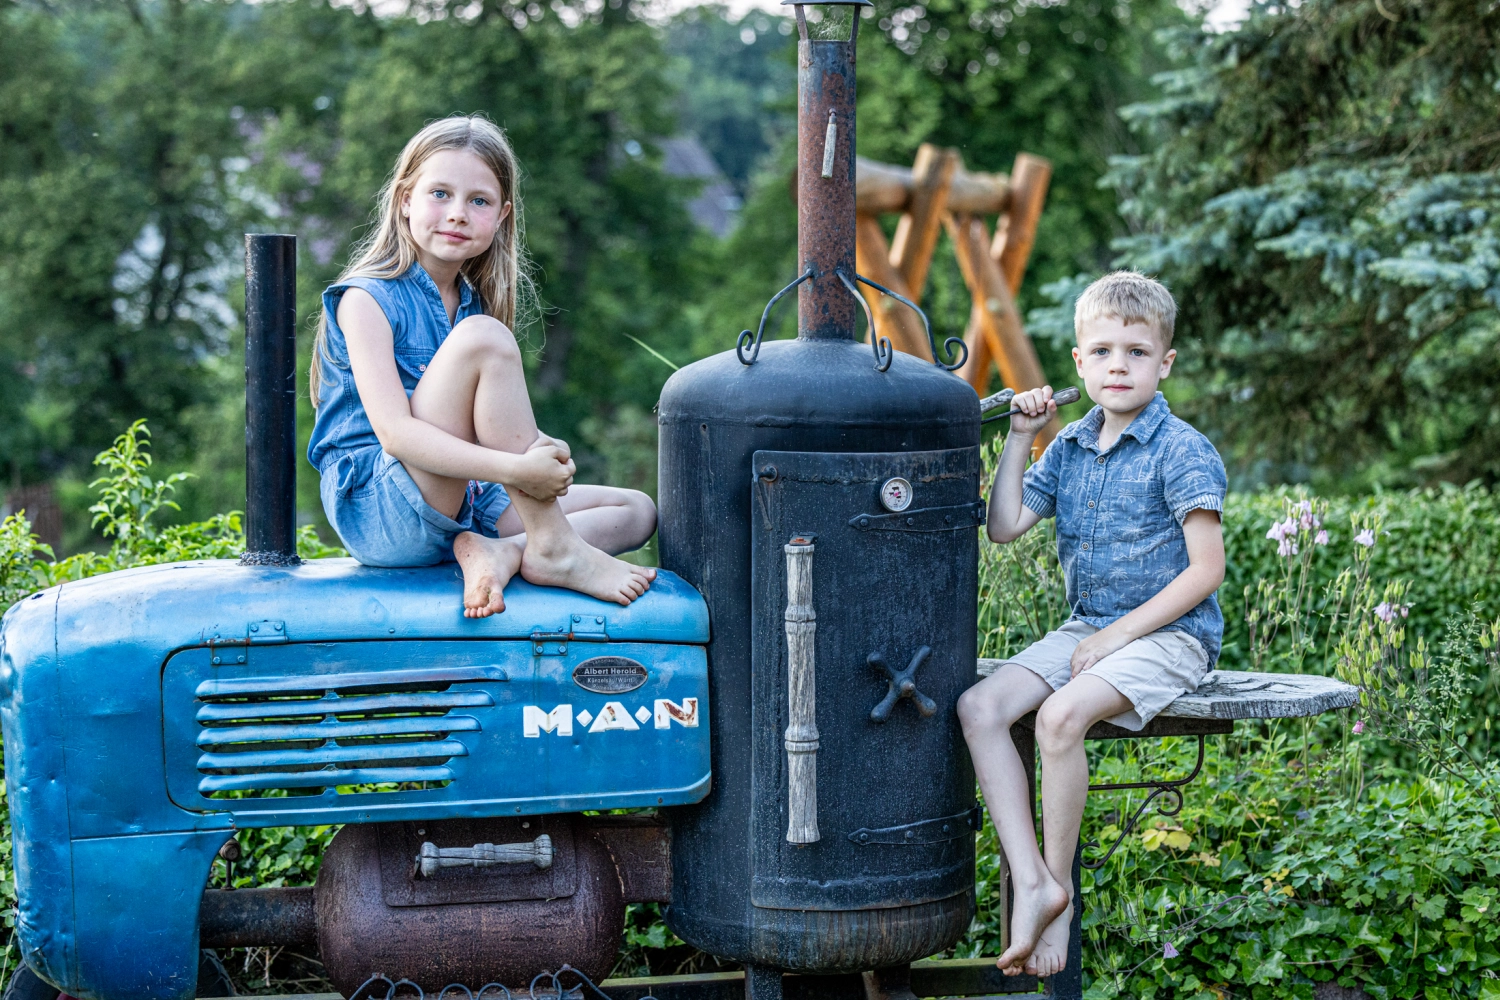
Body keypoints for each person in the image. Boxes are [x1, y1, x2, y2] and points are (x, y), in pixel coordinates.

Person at [957, 271, 1227, 977]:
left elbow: (1205, 572)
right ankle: (1034, 880)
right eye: (1102, 351)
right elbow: (1005, 526)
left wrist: (1117, 637)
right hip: (1089, 627)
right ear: (1078, 361)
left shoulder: (1182, 449)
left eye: (1136, 352)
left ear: (1164, 362)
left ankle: (1061, 887)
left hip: (1171, 636)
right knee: (980, 707)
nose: (1118, 365)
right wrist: (1021, 437)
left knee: (1058, 718)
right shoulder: (1070, 446)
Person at [307, 115, 657, 617]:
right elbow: (397, 436)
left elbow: (497, 429)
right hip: (383, 511)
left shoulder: (472, 307)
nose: (457, 214)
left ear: (502, 216)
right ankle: (553, 547)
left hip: (465, 506)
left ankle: (508, 551)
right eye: (440, 194)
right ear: (405, 200)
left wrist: (542, 454)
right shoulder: (367, 298)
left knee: (636, 511)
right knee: (485, 339)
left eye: (479, 201)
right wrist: (519, 470)